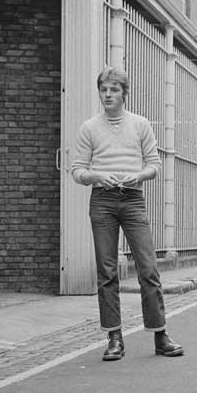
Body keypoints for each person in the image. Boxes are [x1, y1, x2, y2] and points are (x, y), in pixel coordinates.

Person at [71, 66, 184, 362]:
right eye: (103, 90)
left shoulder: (140, 124)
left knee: (148, 268)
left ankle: (160, 335)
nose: (108, 95)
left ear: (124, 93)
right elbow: (77, 170)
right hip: (102, 200)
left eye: (114, 90)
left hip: (133, 199)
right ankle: (114, 338)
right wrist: (97, 176)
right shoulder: (89, 128)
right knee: (107, 272)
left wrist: (139, 176)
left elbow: (154, 164)